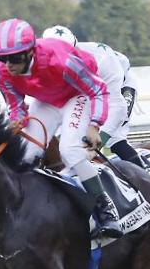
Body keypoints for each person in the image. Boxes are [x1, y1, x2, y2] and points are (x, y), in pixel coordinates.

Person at [0, 17, 122, 238]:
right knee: (25, 154)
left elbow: (97, 90)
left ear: (30, 52)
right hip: (46, 100)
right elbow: (16, 106)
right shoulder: (1, 73)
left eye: (13, 57)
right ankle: (27, 209)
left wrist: (95, 125)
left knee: (69, 150)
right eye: (2, 58)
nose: (8, 64)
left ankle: (106, 209)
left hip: (77, 95)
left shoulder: (61, 61)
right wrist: (17, 120)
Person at [41, 25, 144, 167]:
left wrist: (97, 144)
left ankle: (148, 178)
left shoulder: (103, 61)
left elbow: (117, 109)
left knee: (114, 138)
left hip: (118, 86)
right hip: (87, 90)